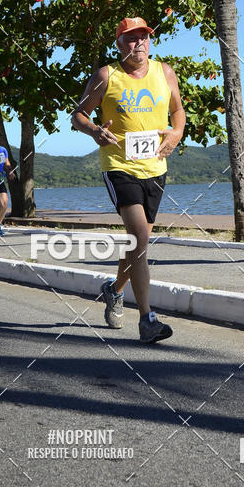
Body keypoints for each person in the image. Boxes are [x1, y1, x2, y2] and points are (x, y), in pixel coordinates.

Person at [72, 17, 185, 343]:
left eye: (144, 38)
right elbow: (78, 114)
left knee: (138, 243)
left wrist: (176, 133)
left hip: (156, 169)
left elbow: (178, 111)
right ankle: (147, 320)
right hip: (119, 166)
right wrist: (94, 130)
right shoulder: (107, 76)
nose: (139, 44)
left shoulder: (164, 73)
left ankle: (114, 289)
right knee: (138, 237)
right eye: (131, 39)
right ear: (119, 44)